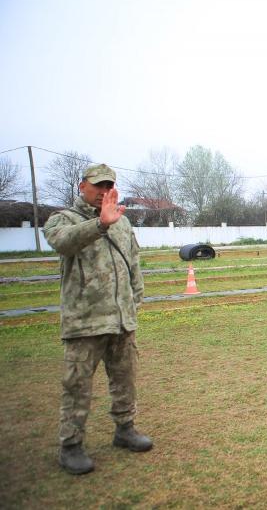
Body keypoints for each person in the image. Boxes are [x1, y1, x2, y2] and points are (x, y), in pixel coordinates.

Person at [43, 163, 152, 475]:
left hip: (121, 320)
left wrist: (134, 301)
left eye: (108, 186)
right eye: (96, 185)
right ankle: (71, 446)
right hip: (85, 323)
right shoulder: (63, 220)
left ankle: (125, 429)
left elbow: (133, 264)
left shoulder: (123, 222)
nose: (103, 191)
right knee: (77, 386)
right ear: (82, 186)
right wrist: (99, 225)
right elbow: (63, 243)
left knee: (125, 380)